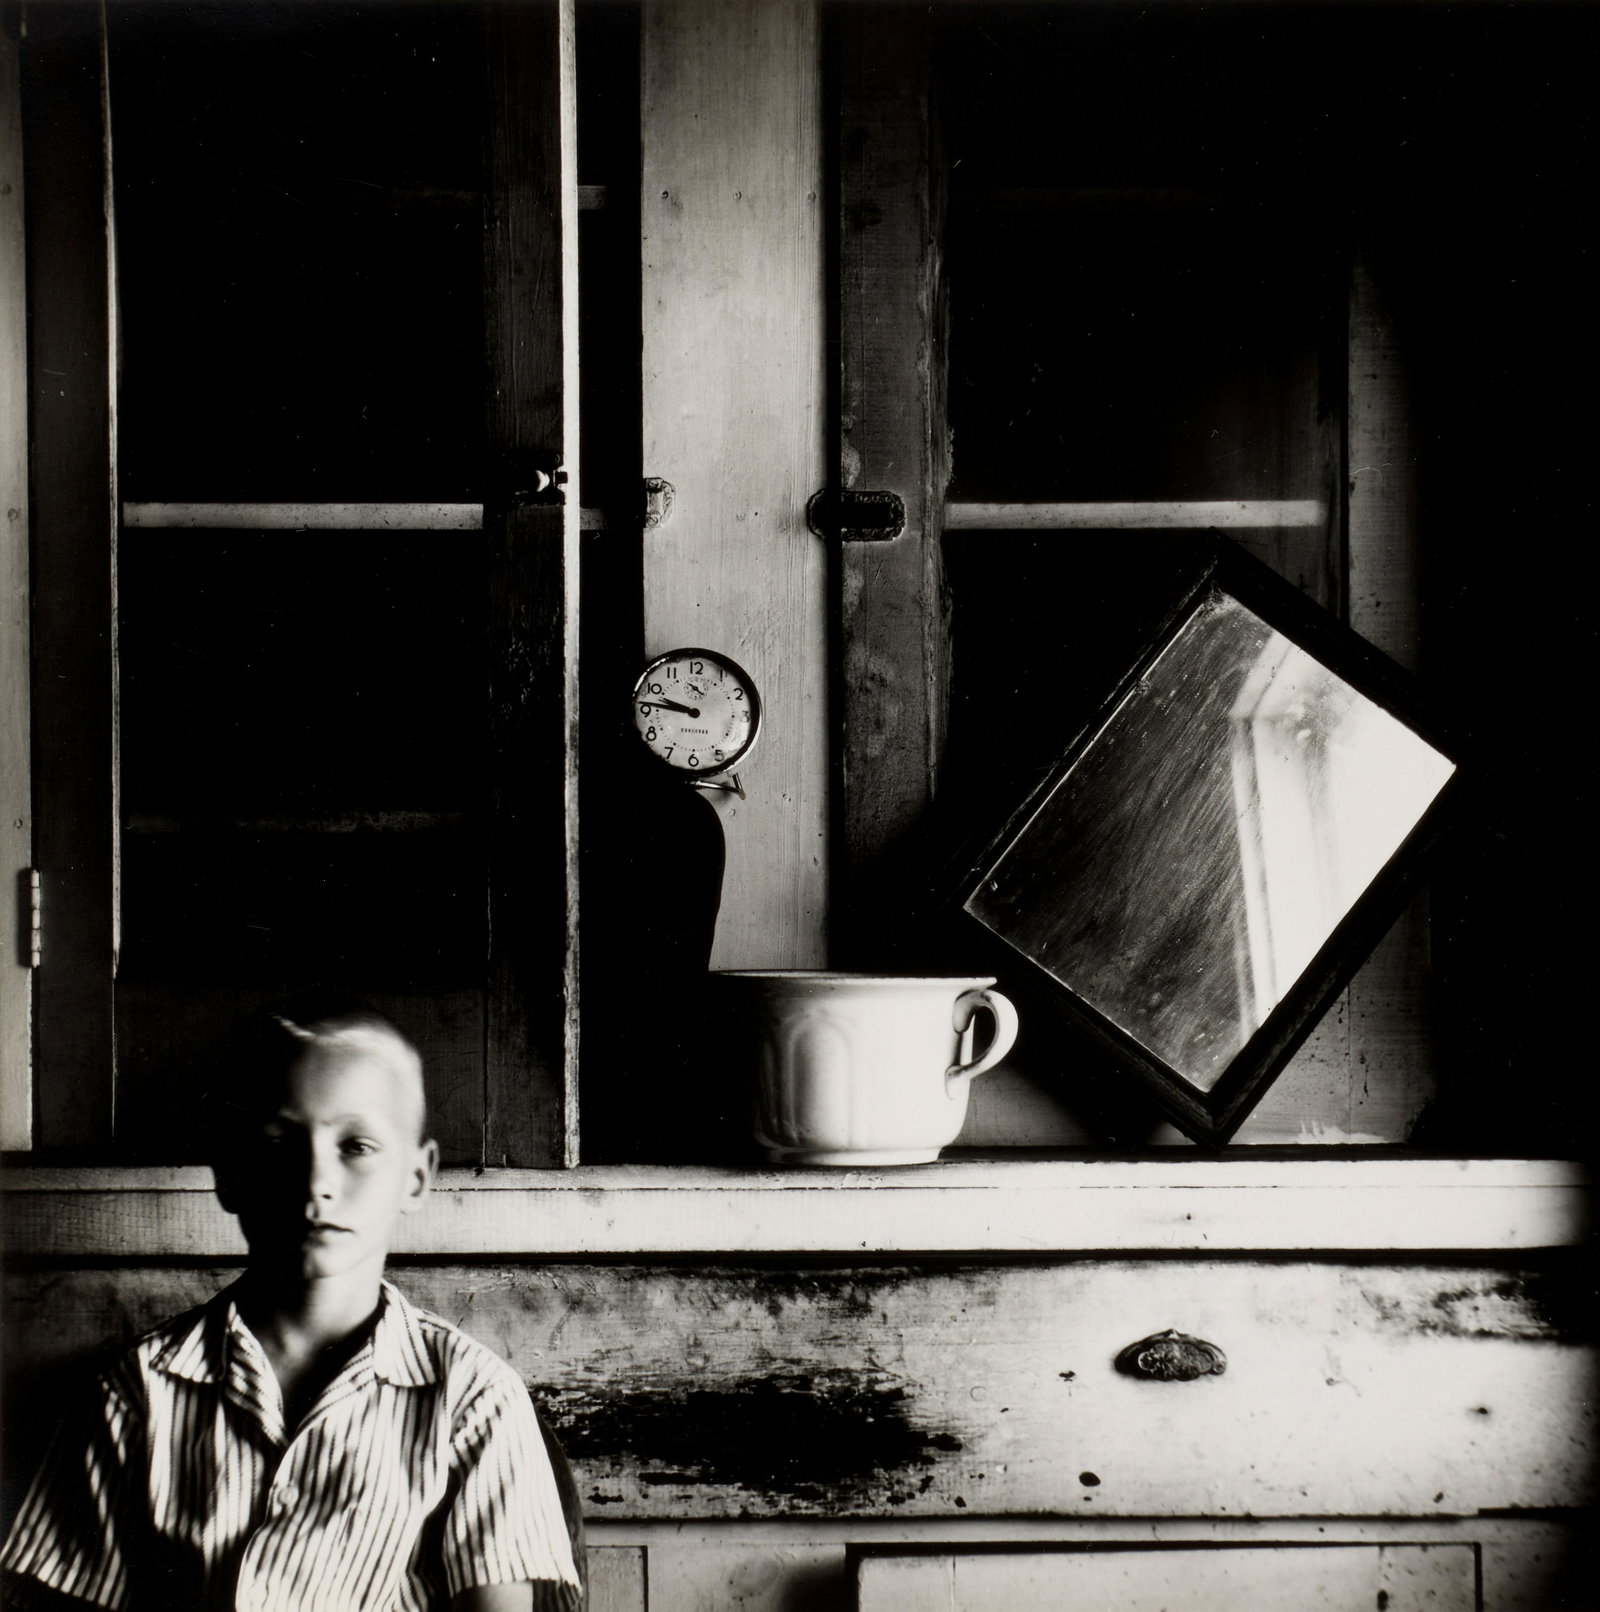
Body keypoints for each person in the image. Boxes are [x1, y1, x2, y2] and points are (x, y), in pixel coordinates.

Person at [1, 996, 584, 1612]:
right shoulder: (137, 1392)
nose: (316, 1182)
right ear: (230, 1174)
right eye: (280, 1142)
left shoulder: (472, 1398)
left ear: (416, 1178)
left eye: (356, 1146)